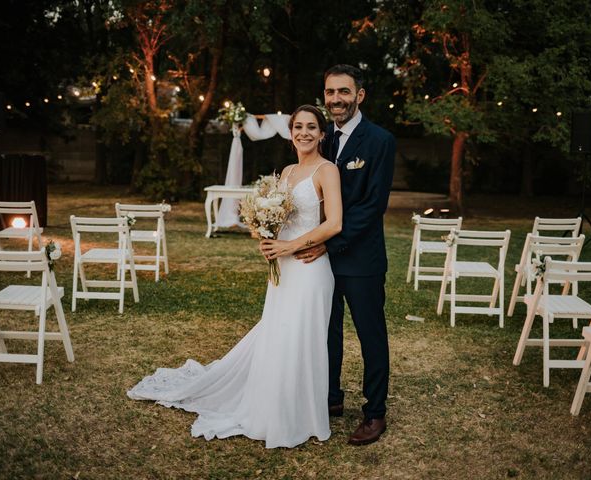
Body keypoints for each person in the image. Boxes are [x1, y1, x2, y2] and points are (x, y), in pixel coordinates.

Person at [127, 105, 342, 449]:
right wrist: (265, 234)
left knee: (303, 339)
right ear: (290, 133)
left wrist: (288, 247)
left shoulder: (326, 170)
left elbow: (334, 223)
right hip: (283, 270)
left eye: (311, 127)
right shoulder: (286, 171)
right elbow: (280, 218)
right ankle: (274, 407)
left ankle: (301, 415)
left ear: (322, 134)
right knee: (279, 335)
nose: (304, 132)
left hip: (310, 269)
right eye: (298, 126)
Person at [295, 64, 395, 446]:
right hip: (320, 262)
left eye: (344, 92)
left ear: (360, 95)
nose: (336, 99)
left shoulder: (379, 141)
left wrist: (329, 242)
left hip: (361, 259)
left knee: (370, 335)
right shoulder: (324, 141)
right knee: (326, 331)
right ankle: (331, 398)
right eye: (330, 92)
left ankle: (374, 413)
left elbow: (372, 206)